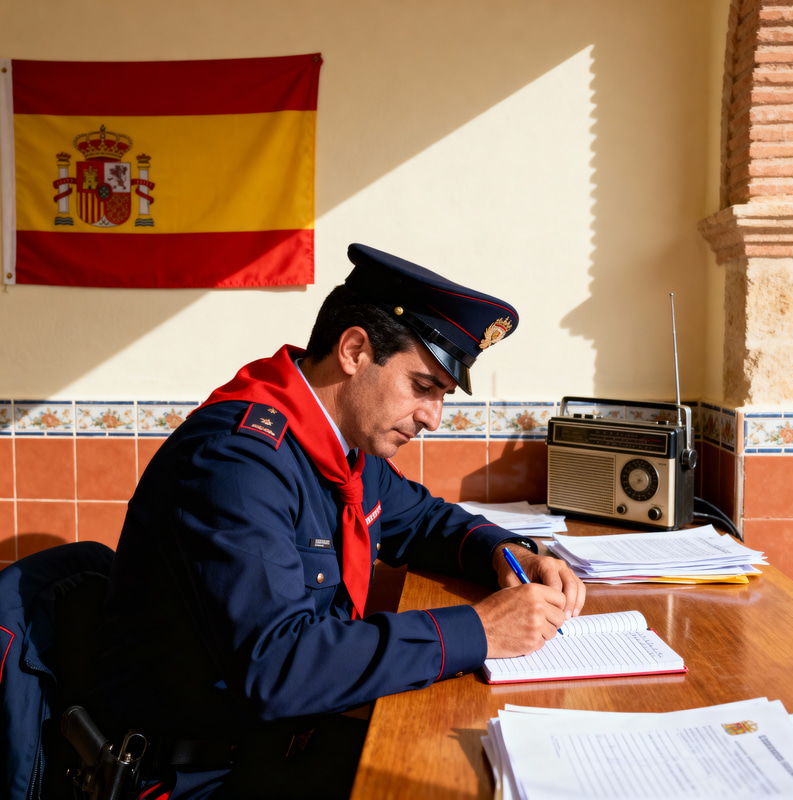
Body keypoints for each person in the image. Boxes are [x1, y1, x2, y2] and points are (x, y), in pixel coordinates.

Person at [88, 243, 585, 799]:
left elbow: (422, 521)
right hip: (200, 774)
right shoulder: (235, 465)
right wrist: (482, 630)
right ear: (353, 350)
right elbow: (279, 666)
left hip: (284, 738)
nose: (432, 417)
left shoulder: (344, 449)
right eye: (422, 387)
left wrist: (509, 552)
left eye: (441, 396)